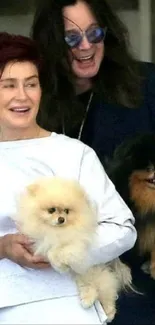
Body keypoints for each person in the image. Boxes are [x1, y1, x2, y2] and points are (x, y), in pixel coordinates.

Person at [31, 0, 155, 324]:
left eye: (94, 33)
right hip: (58, 271)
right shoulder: (33, 101)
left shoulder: (147, 84)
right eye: (72, 38)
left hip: (138, 267)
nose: (86, 46)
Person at [0, 32, 136, 324]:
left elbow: (122, 228)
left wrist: (63, 250)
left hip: (68, 305)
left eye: (31, 84)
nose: (22, 96)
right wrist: (2, 248)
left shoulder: (73, 154)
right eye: (8, 86)